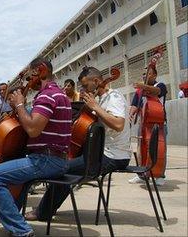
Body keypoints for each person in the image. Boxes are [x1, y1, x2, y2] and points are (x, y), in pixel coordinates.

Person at [28, 66, 131, 223]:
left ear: (96, 81)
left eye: (85, 85)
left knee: (61, 168)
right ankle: (46, 209)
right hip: (101, 153)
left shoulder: (113, 97)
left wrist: (95, 107)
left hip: (114, 156)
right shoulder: (101, 98)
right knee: (65, 166)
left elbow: (118, 124)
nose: (82, 89)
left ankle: (43, 212)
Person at [0, 58, 71, 237]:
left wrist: (21, 105)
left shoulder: (47, 96)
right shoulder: (58, 94)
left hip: (46, 159)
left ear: (42, 70)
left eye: (31, 75)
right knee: (9, 172)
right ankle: (14, 218)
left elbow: (32, 129)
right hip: (56, 159)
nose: (30, 80)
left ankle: (21, 230)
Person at [128, 67, 168, 186]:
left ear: (155, 75)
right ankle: (142, 174)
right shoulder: (139, 91)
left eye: (148, 74)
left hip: (158, 124)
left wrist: (143, 87)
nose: (145, 76)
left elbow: (157, 92)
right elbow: (135, 105)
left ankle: (160, 175)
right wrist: (131, 113)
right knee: (142, 150)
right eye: (144, 74)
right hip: (143, 123)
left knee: (159, 150)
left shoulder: (160, 85)